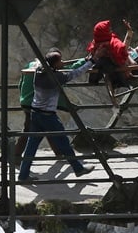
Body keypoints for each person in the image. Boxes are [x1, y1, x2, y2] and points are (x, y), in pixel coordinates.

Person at [18, 48, 96, 182]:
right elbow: (75, 73)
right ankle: (78, 168)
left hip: (35, 113)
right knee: (64, 142)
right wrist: (91, 62)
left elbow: (60, 66)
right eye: (60, 61)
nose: (63, 62)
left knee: (31, 146)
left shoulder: (39, 71)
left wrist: (84, 60)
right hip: (48, 116)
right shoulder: (55, 77)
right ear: (54, 64)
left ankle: (23, 175)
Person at [14, 54, 84, 162]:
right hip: (36, 103)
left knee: (46, 128)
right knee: (30, 130)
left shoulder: (32, 65)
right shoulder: (50, 73)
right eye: (60, 61)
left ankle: (58, 153)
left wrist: (23, 97)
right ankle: (16, 156)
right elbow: (72, 69)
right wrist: (86, 61)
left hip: (26, 101)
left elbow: (20, 83)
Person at [86, 19, 136, 86]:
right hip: (119, 77)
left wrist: (129, 32)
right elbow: (122, 49)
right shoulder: (109, 45)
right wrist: (129, 32)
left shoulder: (97, 42)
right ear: (103, 33)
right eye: (109, 30)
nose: (111, 31)